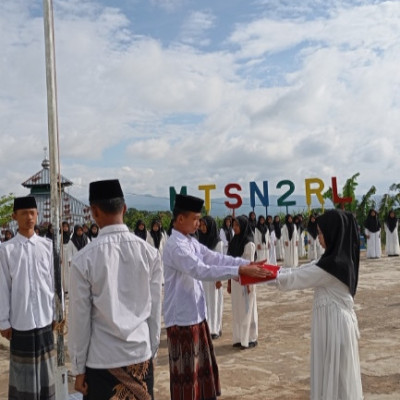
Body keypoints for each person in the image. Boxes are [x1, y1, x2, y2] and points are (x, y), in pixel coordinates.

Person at [163, 194, 269, 400]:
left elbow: (214, 257)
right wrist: (239, 271)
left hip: (195, 315)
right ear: (180, 219)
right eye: (195, 219)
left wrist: (243, 264)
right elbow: (200, 270)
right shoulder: (176, 246)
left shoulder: (189, 241)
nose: (198, 224)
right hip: (182, 318)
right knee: (186, 379)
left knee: (200, 377)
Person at [68, 179, 162, 400]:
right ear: (125, 208)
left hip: (101, 362)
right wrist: (151, 351)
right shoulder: (149, 253)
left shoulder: (83, 260)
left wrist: (78, 368)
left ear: (94, 212)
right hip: (140, 357)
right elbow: (155, 310)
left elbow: (79, 319)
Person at [267, 209, 363, 399]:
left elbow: (294, 279)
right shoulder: (333, 261)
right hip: (334, 326)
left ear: (333, 233)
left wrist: (259, 277)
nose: (318, 237)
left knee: (337, 377)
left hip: (335, 329)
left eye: (320, 233)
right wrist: (268, 270)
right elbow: (298, 270)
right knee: (336, 376)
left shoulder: (332, 267)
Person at [0, 196, 56, 400]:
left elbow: (53, 283)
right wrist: (4, 321)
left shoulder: (47, 246)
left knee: (46, 375)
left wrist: (56, 312)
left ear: (37, 214)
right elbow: (3, 288)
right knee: (23, 377)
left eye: (32, 212)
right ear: (14, 216)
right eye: (24, 213)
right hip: (20, 321)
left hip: (45, 318)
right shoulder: (6, 250)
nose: (29, 217)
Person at [227, 215, 258, 350]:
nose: (234, 228)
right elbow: (229, 262)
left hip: (246, 281)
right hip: (235, 280)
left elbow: (250, 265)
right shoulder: (234, 241)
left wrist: (249, 284)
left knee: (247, 309)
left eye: (237, 225)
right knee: (238, 309)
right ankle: (239, 338)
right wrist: (229, 282)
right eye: (234, 225)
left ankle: (250, 338)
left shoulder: (249, 243)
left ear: (243, 226)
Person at [198, 215, 224, 340]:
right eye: (201, 225)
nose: (202, 228)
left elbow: (219, 262)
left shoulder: (218, 243)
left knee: (214, 301)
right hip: (203, 277)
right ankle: (206, 327)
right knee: (204, 302)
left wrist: (218, 278)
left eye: (204, 225)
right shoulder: (200, 240)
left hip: (214, 277)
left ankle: (215, 328)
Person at [61, 220, 71, 294]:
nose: (65, 228)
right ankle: (64, 288)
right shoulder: (60, 236)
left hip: (69, 255)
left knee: (69, 271)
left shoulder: (71, 236)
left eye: (66, 227)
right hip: (62, 255)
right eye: (63, 227)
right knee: (63, 271)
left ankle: (69, 288)